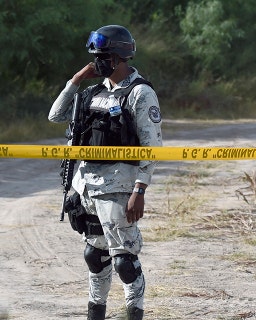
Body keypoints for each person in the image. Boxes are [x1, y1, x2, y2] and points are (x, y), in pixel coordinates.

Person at [48, 25, 162, 320]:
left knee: (124, 261)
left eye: (103, 56)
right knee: (94, 257)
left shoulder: (140, 93)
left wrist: (140, 190)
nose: (97, 62)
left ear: (119, 57)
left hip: (118, 188)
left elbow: (152, 147)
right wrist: (75, 81)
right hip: (86, 187)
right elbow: (56, 116)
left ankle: (133, 313)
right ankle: (95, 313)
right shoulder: (91, 92)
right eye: (95, 56)